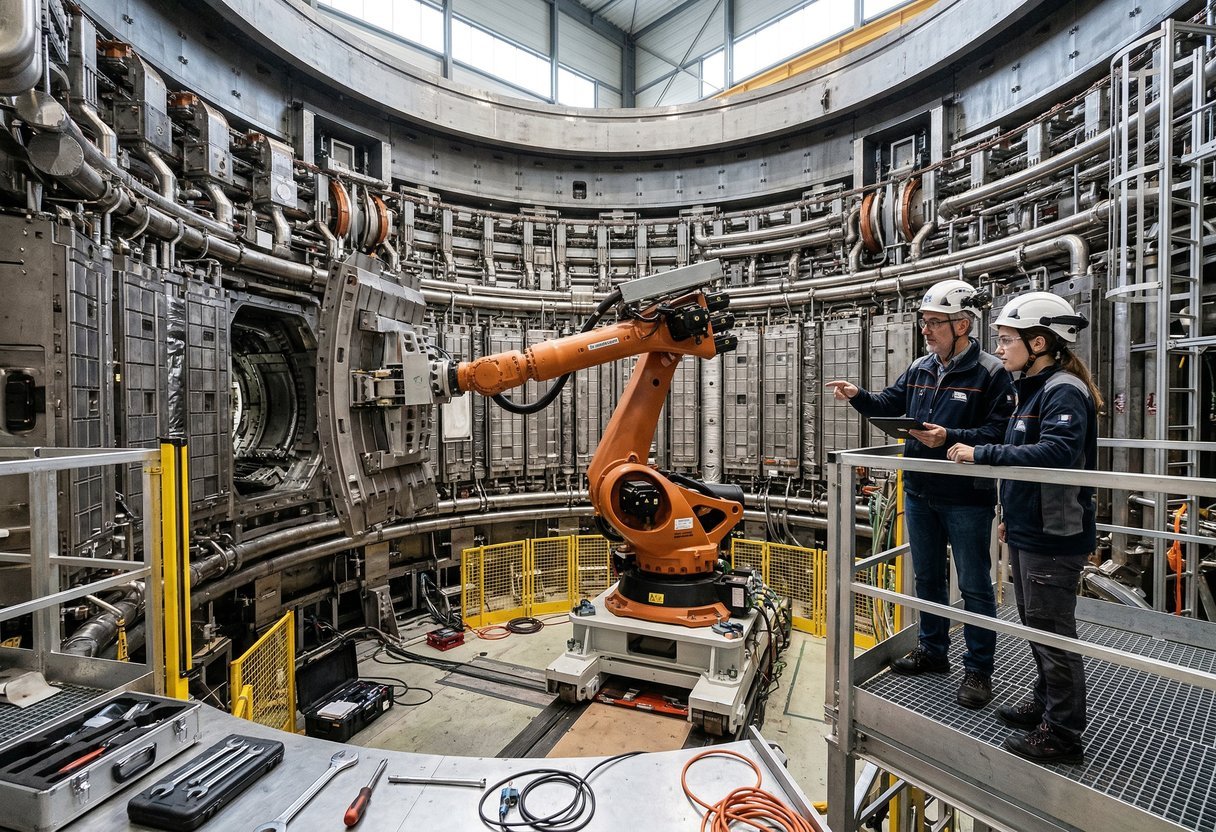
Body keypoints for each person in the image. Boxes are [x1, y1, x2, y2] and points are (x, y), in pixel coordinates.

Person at [827, 279, 1014, 709]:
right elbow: (890, 405)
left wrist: (950, 436)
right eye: (924, 322)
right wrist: (859, 397)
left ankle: (978, 670)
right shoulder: (920, 368)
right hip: (920, 491)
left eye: (934, 323)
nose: (926, 330)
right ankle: (933, 651)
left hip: (966, 495)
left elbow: (999, 433)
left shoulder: (991, 372)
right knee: (927, 577)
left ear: (963, 324)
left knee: (974, 584)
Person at [946, 291, 1100, 764]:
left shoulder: (1063, 391)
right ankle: (1046, 705)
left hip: (1056, 535)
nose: (1001, 347)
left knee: (1053, 632)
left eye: (1008, 339)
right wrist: (1012, 519)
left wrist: (981, 454)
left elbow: (1055, 453)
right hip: (1032, 529)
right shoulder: (1031, 390)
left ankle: (1063, 734)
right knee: (1036, 624)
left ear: (1040, 343)